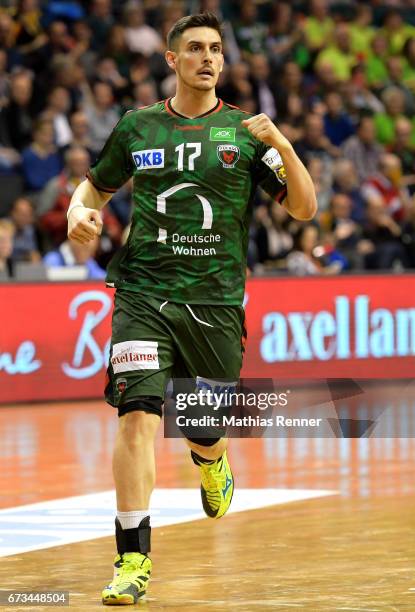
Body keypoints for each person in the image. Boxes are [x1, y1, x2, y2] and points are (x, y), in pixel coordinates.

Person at [66, 12, 316, 605]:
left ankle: (212, 458)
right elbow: (92, 187)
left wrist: (281, 142)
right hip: (143, 294)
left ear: (223, 63)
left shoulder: (247, 133)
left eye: (216, 50)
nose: (208, 58)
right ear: (172, 60)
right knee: (138, 418)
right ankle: (133, 559)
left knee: (203, 426)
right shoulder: (139, 127)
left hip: (215, 301)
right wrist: (80, 210)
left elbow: (304, 210)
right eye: (195, 49)